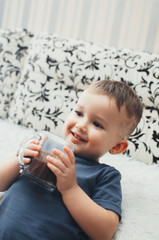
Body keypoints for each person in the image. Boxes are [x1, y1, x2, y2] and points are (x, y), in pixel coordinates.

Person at [0, 80, 143, 240]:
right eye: (79, 113)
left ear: (117, 147)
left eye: (97, 124)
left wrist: (70, 189)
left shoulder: (104, 175)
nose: (81, 125)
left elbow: (105, 232)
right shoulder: (44, 147)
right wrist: (18, 160)